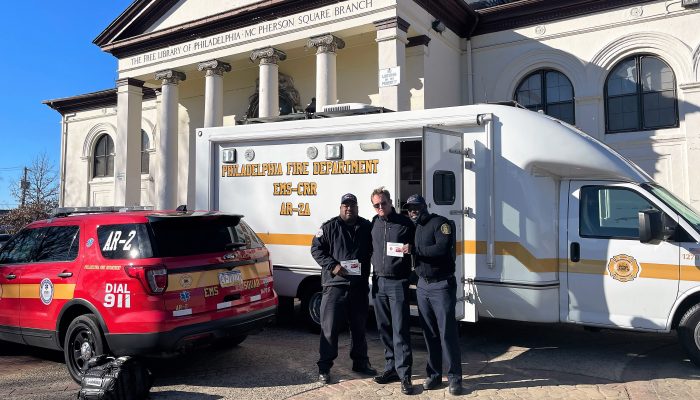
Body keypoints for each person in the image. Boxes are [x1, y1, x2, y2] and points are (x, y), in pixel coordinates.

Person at [311, 193, 377, 384]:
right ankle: (324, 368)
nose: (349, 208)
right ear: (340, 208)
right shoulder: (329, 227)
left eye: (352, 205)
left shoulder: (366, 227)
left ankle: (361, 363)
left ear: (357, 207)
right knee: (329, 329)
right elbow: (316, 249)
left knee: (359, 328)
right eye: (345, 205)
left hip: (358, 286)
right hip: (334, 287)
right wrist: (333, 266)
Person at [405, 194, 463, 396]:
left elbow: (441, 248)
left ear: (424, 206)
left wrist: (415, 250)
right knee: (429, 334)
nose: (412, 211)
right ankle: (434, 375)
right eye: (409, 208)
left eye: (416, 207)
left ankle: (455, 379)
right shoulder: (416, 227)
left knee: (447, 334)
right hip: (423, 286)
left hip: (441, 286)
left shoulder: (440, 223)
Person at [369, 187, 415, 395]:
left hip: (398, 283)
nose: (380, 207)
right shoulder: (374, 223)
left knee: (400, 329)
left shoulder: (405, 223)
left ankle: (405, 374)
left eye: (383, 203)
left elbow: (418, 243)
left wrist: (412, 248)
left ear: (390, 203)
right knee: (384, 328)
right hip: (378, 283)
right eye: (376, 205)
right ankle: (391, 368)